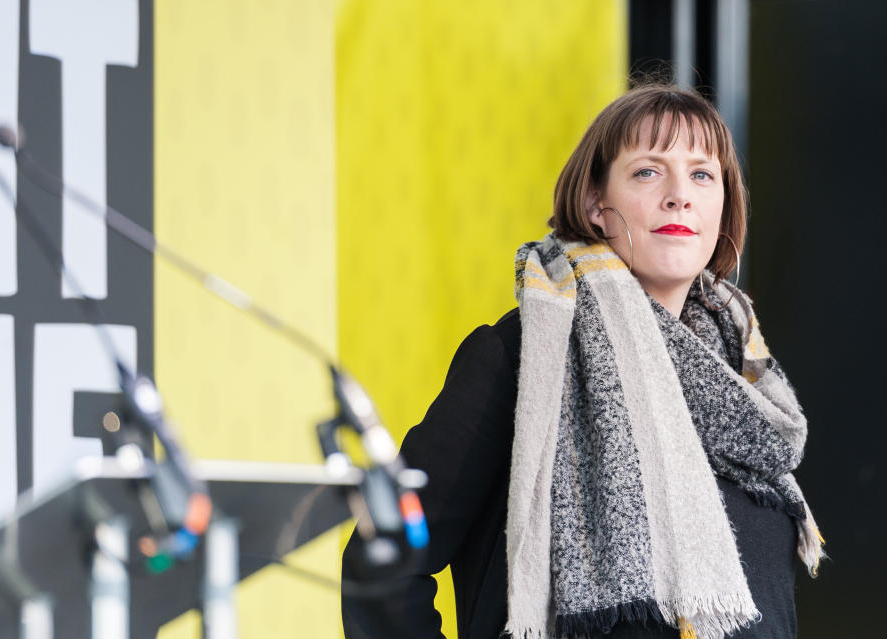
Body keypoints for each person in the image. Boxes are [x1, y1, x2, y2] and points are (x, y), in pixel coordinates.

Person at [341, 84, 825, 639]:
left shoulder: (744, 382)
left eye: (701, 174)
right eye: (648, 172)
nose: (679, 196)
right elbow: (382, 564)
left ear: (723, 205)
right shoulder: (519, 357)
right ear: (596, 205)